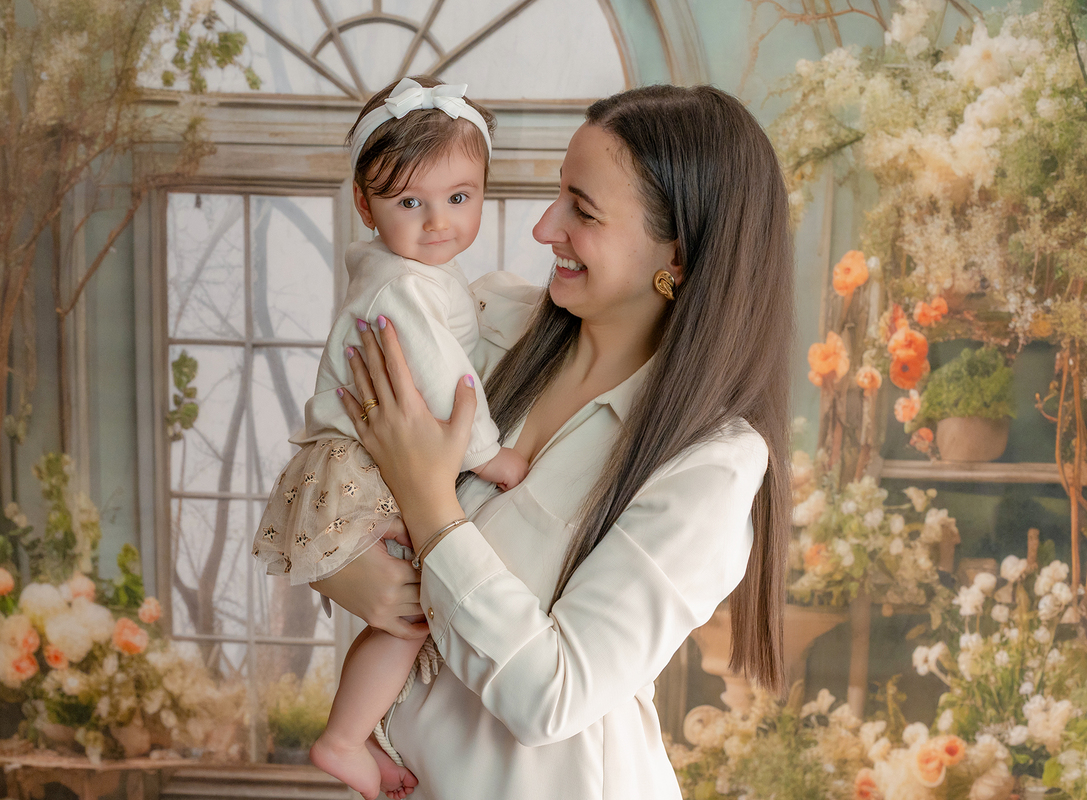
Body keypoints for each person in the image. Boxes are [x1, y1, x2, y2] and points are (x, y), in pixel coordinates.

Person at [312, 83, 795, 799]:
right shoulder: (486, 322)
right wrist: (338, 568)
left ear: (680, 257)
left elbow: (552, 696)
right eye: (558, 194)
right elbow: (332, 461)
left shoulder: (710, 465)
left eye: (583, 210)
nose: (544, 227)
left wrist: (428, 506)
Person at [251, 76, 529, 800]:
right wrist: (489, 456)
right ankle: (345, 739)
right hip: (357, 471)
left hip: (354, 466)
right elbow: (443, 382)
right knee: (408, 617)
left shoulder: (415, 273)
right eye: (411, 202)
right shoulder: (400, 287)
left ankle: (363, 738)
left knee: (406, 614)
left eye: (460, 198)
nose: (439, 222)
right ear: (364, 203)